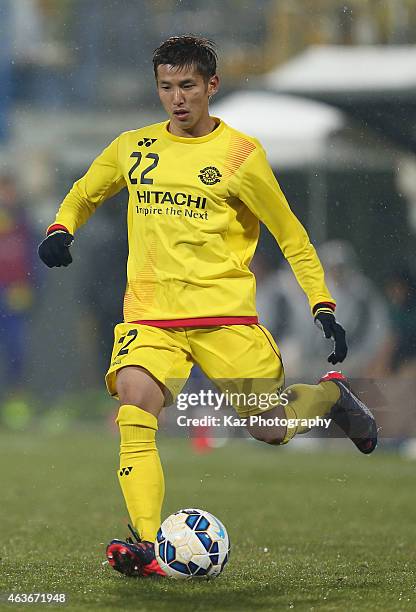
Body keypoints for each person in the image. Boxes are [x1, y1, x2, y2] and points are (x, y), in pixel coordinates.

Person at [38, 36, 377, 579]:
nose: (177, 98)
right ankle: (148, 545)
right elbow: (84, 192)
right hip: (151, 319)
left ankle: (332, 397)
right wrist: (61, 228)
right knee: (135, 402)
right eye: (167, 87)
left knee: (269, 430)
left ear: (211, 86)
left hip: (226, 320)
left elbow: (292, 236)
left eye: (188, 86)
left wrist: (323, 305)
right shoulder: (133, 146)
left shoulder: (242, 155)